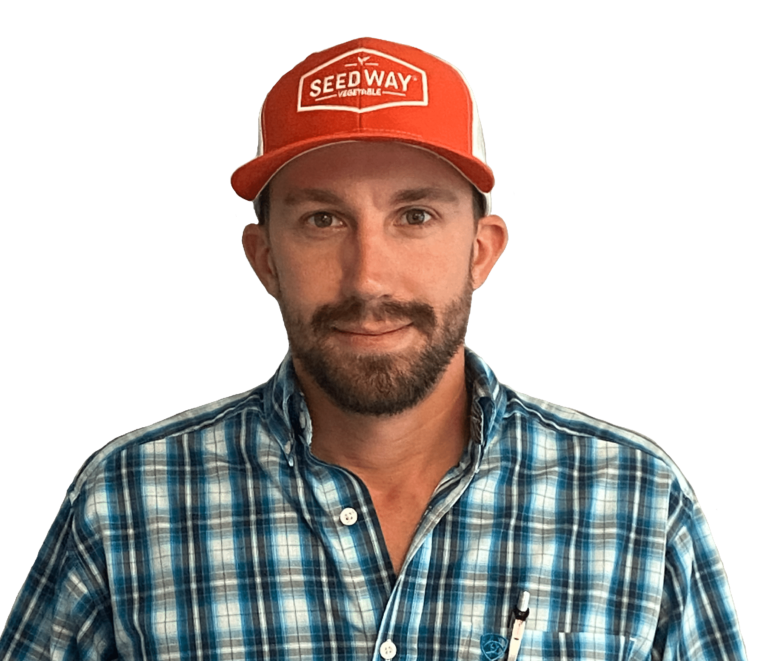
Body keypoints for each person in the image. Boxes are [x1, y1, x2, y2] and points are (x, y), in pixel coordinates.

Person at [0, 37, 746, 661]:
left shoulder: (639, 501)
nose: (368, 278)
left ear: (482, 250)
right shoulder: (123, 503)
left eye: (414, 215)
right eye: (323, 220)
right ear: (264, 258)